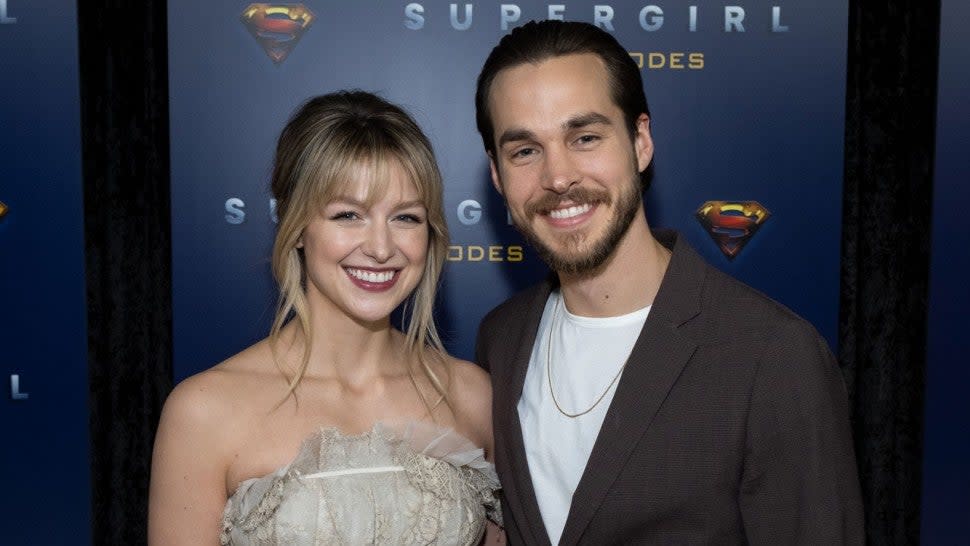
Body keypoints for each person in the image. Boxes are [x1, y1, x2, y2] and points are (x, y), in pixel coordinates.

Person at [473, 20, 864, 545]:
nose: (558, 177)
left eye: (585, 137)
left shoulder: (773, 354)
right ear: (497, 175)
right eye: (525, 150)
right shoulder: (501, 337)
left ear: (640, 142)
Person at [149, 90, 502, 544]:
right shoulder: (204, 412)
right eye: (348, 214)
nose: (380, 247)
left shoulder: (472, 395)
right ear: (297, 228)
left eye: (406, 218)